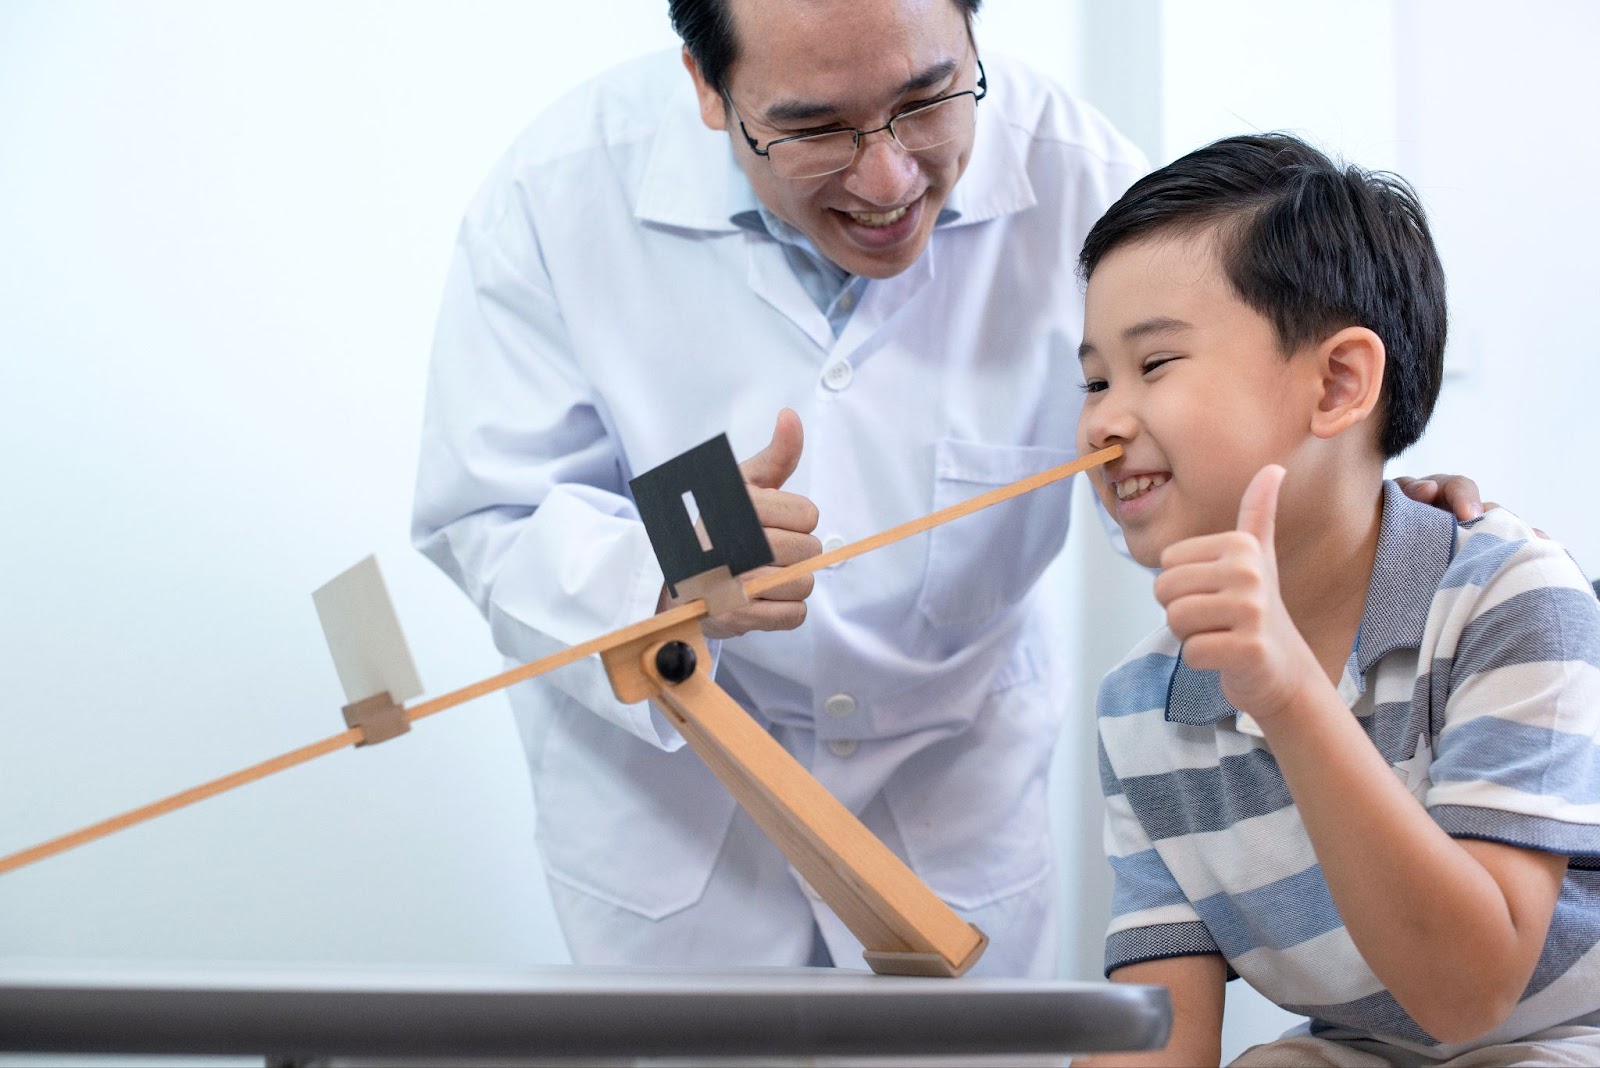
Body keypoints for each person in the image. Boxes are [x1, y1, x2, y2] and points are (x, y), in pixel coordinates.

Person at [411, 0, 1486, 978]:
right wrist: (659, 580)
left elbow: (1228, 409)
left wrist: (1359, 507)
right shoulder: (556, 195)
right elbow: (489, 509)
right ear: (705, 85)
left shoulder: (1081, 179)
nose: (887, 181)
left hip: (953, 777)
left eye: (927, 101)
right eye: (817, 128)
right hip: (683, 802)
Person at [1075, 134, 1600, 1065]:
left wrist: (1287, 696)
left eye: (1154, 366)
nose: (1105, 424)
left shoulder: (1513, 599)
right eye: (1094, 380)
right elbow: (1159, 1038)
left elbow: (1468, 994)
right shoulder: (1138, 704)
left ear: (1340, 382)